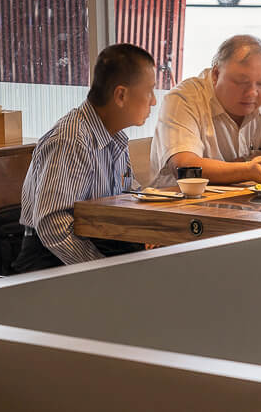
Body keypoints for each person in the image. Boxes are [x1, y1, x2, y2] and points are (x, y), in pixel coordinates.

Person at [14, 44, 157, 272]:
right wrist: (102, 271)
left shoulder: (115, 136)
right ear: (121, 95)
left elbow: (126, 192)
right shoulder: (71, 139)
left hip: (102, 245)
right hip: (52, 261)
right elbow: (53, 225)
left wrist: (149, 226)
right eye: (149, 91)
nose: (153, 101)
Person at [149, 35, 261, 188]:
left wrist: (247, 162)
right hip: (180, 209)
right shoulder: (184, 98)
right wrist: (247, 170)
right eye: (241, 82)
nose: (252, 92)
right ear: (216, 74)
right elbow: (185, 167)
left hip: (252, 208)